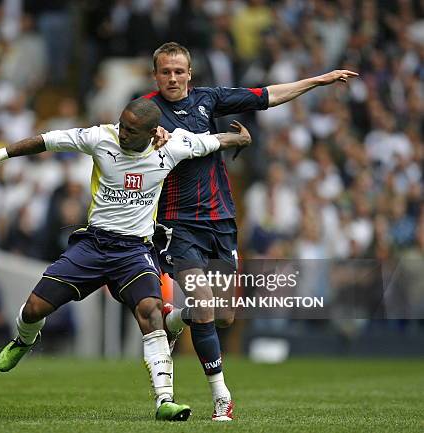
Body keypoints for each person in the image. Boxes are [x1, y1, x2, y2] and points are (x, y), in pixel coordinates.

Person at [0, 97, 251, 421]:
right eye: (122, 124)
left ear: (152, 132)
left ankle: (164, 401)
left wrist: (239, 138)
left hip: (134, 251)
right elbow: (47, 140)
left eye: (130, 130)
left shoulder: (172, 146)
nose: (122, 133)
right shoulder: (100, 138)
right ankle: (23, 340)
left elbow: (211, 142)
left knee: (151, 313)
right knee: (34, 309)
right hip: (92, 245)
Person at [145, 41, 359, 421]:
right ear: (156, 74)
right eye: (166, 72)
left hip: (222, 220)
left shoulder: (207, 99)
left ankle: (176, 318)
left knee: (225, 315)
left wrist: (319, 80)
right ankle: (222, 398)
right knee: (207, 304)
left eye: (179, 71)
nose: (173, 78)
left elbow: (267, 96)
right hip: (178, 224)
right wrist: (148, 139)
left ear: (190, 73)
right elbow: (125, 138)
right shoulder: (146, 111)